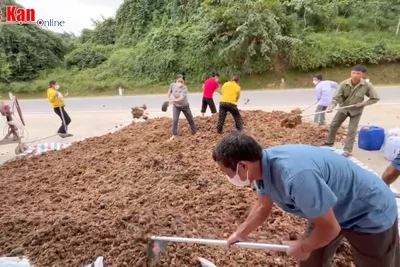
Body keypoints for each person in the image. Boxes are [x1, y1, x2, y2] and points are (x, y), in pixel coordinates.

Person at [212, 132, 399, 267]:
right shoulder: (261, 167)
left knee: (376, 262)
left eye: (227, 172)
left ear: (243, 166)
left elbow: (330, 227)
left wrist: (305, 244)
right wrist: (240, 233)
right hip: (327, 210)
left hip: (368, 210)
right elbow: (262, 206)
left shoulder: (295, 176)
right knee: (310, 261)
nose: (228, 177)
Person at [323, 65, 379, 157]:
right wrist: (332, 106)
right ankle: (330, 142)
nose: (355, 75)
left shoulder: (366, 85)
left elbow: (375, 98)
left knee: (351, 131)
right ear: (351, 73)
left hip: (356, 111)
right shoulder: (344, 84)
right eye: (353, 73)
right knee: (333, 125)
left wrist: (363, 104)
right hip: (343, 108)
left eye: (358, 73)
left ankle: (347, 150)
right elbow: (336, 97)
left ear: (362, 74)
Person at [167, 76, 197, 140]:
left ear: (183, 83)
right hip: (176, 107)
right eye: (178, 82)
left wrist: (174, 100)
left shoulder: (184, 88)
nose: (179, 83)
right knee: (175, 120)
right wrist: (169, 97)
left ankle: (194, 131)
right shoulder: (172, 85)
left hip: (184, 106)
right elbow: (169, 91)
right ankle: (174, 134)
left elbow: (182, 98)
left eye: (181, 82)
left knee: (190, 118)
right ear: (176, 81)